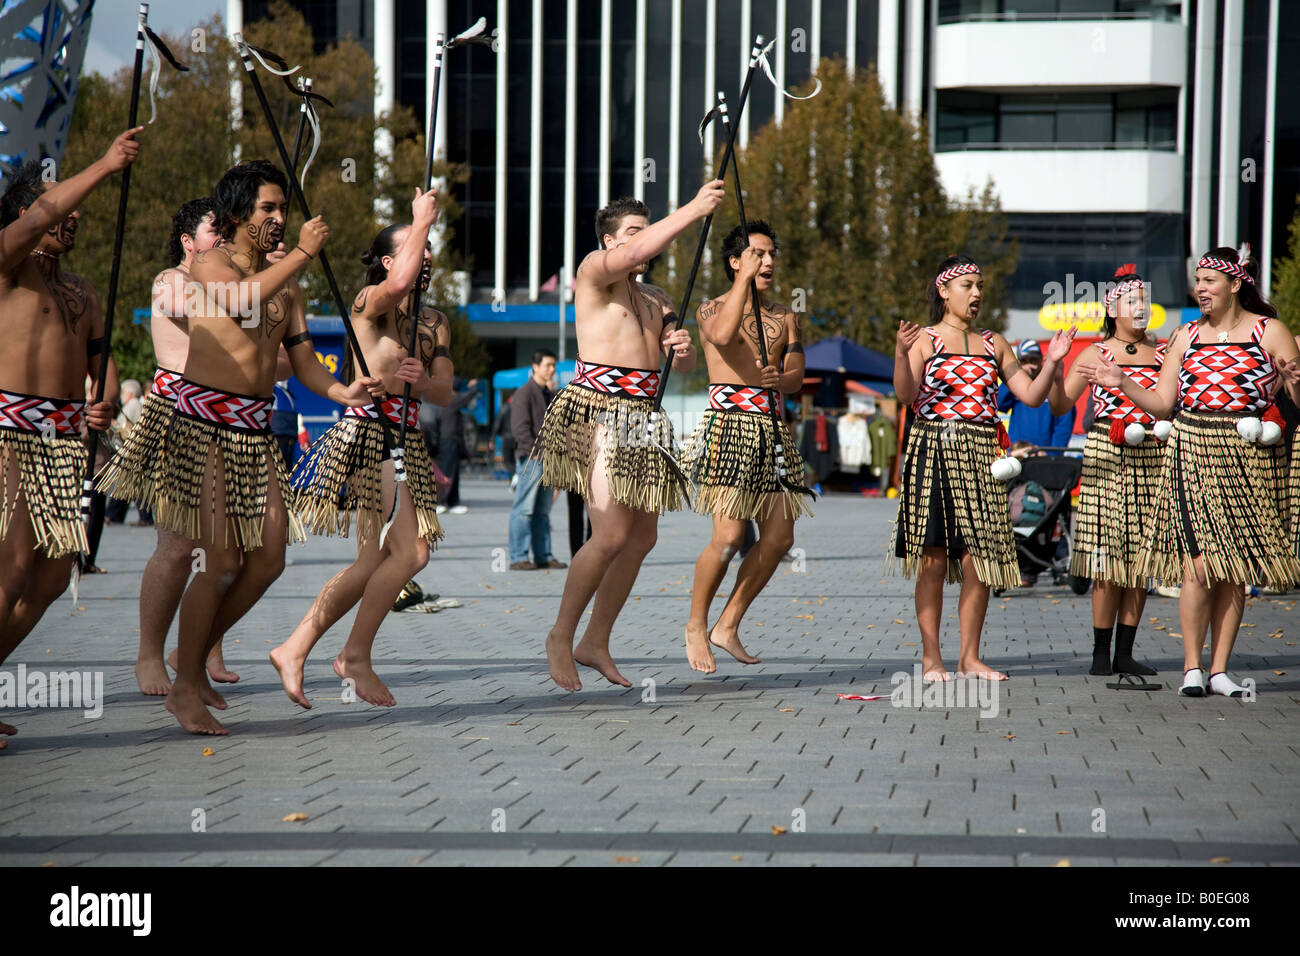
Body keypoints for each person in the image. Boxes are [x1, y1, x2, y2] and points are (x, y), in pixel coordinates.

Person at [148, 160, 379, 735]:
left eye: (283, 208)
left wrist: (344, 391)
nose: (279, 219)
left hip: (255, 433)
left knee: (270, 558)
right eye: (267, 209)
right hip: (202, 426)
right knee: (220, 560)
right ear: (236, 215)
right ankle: (184, 686)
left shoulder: (288, 287)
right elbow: (237, 302)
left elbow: (304, 365)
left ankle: (193, 660)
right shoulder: (209, 265)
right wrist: (301, 254)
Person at [1077, 247, 1300, 697]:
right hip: (1192, 450)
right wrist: (1123, 383)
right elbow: (1162, 404)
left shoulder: (1270, 331)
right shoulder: (1184, 336)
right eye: (1197, 280)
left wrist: (1294, 383)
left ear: (1235, 285)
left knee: (1233, 566)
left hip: (1246, 456)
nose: (1200, 288)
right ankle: (1192, 667)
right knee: (1198, 564)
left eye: (1209, 280)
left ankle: (1219, 670)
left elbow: (1297, 404)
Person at [536, 186, 723, 690]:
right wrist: (694, 210)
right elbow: (636, 254)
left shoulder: (656, 297)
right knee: (612, 533)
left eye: (646, 228)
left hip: (645, 414)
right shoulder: (594, 271)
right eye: (633, 232)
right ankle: (560, 634)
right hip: (598, 408)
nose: (643, 241)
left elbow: (678, 360)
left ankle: (596, 640)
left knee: (642, 536)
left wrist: (680, 348)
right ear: (609, 240)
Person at [273, 192, 451, 708]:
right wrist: (419, 218)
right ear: (392, 260)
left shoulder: (433, 321)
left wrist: (423, 380)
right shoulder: (367, 301)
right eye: (419, 247)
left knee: (376, 559)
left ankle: (299, 647)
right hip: (370, 433)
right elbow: (396, 284)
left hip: (408, 438)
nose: (429, 257)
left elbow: (445, 390)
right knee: (409, 552)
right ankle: (349, 655)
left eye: (430, 247)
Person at [0, 128, 140, 751]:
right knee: (10, 569)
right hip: (8, 433)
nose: (74, 214)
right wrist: (108, 164)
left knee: (53, 578)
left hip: (62, 445)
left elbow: (99, 359)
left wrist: (104, 396)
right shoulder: (7, 262)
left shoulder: (82, 291)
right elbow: (49, 208)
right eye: (61, 206)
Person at [892, 255, 1074, 682]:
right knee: (933, 560)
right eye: (967, 285)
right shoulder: (924, 340)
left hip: (982, 457)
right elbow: (905, 394)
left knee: (979, 561)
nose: (976, 294)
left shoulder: (994, 343)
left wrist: (1052, 361)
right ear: (944, 291)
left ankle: (969, 657)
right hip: (933, 449)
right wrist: (901, 354)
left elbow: (1029, 395)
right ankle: (931, 657)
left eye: (980, 286)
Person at [96, 197, 236, 695]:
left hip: (228, 420)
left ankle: (201, 648)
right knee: (178, 545)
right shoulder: (170, 280)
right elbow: (191, 308)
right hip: (177, 415)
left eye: (227, 230)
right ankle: (149, 654)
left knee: (230, 549)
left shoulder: (232, 286)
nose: (222, 238)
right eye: (214, 231)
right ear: (187, 240)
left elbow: (277, 362)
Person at [680, 220, 809, 673]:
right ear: (736, 261)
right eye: (758, 254)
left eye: (772, 253)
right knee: (730, 536)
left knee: (779, 537)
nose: (769, 261)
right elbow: (719, 336)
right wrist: (742, 282)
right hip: (730, 426)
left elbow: (796, 375)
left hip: (772, 430)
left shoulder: (785, 315)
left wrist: (782, 378)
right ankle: (696, 625)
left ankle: (728, 624)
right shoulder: (710, 308)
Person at [1050, 263, 1165, 676]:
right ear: (1113, 308)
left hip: (1151, 453)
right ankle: (1101, 653)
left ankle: (1126, 651)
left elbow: (1171, 404)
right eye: (1132, 300)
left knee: (1140, 557)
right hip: (1106, 452)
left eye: (1145, 300)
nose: (1141, 307)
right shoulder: (1095, 353)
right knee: (1105, 555)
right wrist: (1056, 366)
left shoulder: (1164, 353)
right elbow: (1062, 405)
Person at [508, 349, 564, 570]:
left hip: (549, 459)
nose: (551, 370)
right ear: (535, 367)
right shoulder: (525, 393)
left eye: (553, 366)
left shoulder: (548, 394)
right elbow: (519, 429)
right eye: (548, 365)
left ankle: (543, 555)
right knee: (524, 509)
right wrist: (536, 452)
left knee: (542, 511)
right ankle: (518, 557)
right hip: (532, 459)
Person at [999, 339, 1076, 450]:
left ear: (1041, 360)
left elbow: (1063, 424)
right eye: (1024, 361)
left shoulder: (1054, 384)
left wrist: (1052, 454)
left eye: (1033, 360)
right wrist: (1015, 375)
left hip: (1043, 455)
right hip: (1017, 451)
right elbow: (1000, 404)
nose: (1030, 366)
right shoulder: (1016, 388)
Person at [435, 378, 477, 513]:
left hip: (444, 439)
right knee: (449, 471)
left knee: (449, 471)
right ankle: (445, 501)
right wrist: (473, 387)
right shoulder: (453, 400)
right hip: (450, 440)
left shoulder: (442, 400)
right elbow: (469, 396)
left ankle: (451, 501)